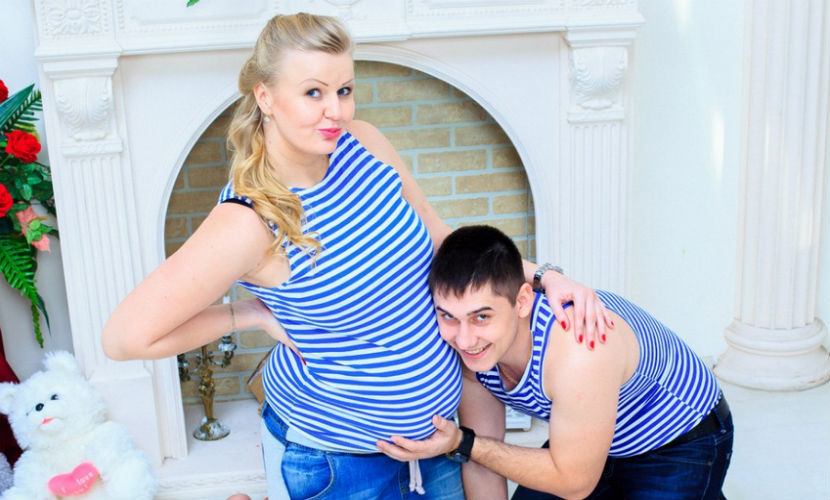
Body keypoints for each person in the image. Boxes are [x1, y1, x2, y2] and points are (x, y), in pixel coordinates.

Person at [100, 13, 613, 500]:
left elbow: (442, 239)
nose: (336, 111)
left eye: (344, 90)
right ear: (265, 96)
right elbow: (125, 337)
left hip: (438, 440)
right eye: (313, 93)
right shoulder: (249, 220)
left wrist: (541, 276)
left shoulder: (361, 143)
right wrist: (245, 314)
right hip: (338, 462)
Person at [378, 225, 734, 500]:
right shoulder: (473, 354)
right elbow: (483, 460)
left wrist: (461, 442)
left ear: (522, 302)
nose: (465, 339)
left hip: (678, 438)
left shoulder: (578, 351)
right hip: (591, 436)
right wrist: (469, 445)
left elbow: (573, 483)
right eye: (448, 316)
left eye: (481, 317)